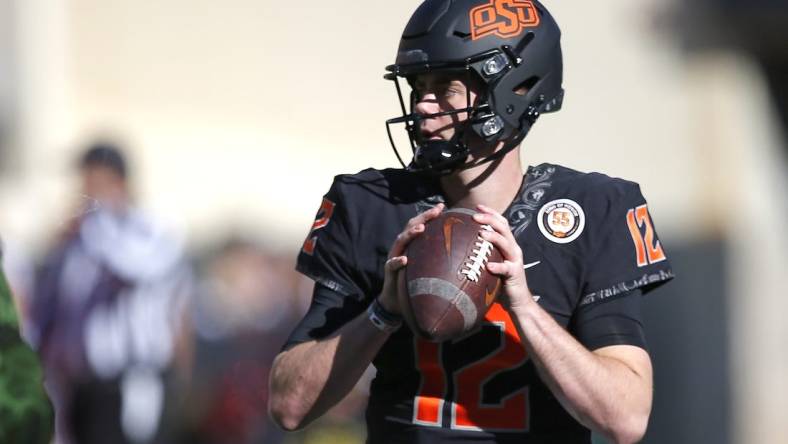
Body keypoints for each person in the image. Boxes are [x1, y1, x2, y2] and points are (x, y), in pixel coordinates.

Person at [269, 1, 674, 443]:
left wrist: (524, 308)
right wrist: (381, 312)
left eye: (446, 86)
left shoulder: (594, 210)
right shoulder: (369, 205)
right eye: (418, 85)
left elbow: (626, 419)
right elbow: (288, 406)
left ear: (513, 89)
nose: (424, 105)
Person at [30, 143, 192, 444]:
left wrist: (96, 226)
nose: (86, 190)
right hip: (81, 385)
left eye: (95, 180)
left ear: (119, 182)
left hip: (133, 383)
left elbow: (137, 268)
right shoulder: (78, 241)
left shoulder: (152, 228)